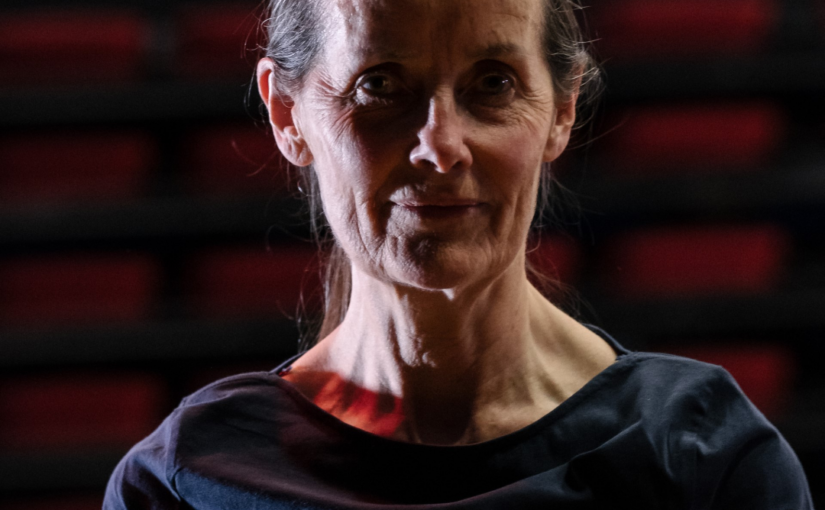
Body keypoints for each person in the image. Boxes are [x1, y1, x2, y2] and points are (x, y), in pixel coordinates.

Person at [104, 0, 814, 507]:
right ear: (287, 115)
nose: (440, 147)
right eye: (378, 85)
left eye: (493, 84)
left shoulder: (701, 456)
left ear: (561, 109)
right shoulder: (186, 479)